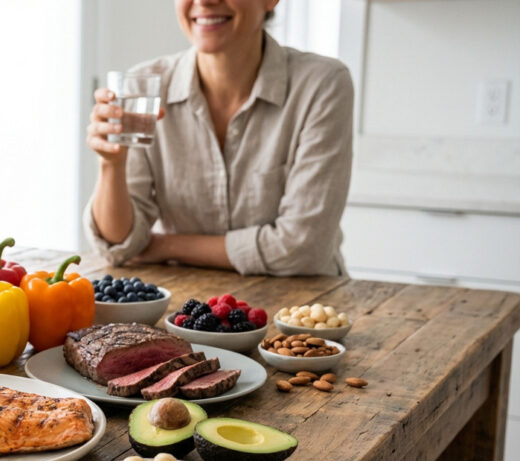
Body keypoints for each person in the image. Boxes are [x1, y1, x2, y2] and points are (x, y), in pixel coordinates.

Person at [84, 0, 353, 276]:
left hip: (302, 310)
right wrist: (111, 165)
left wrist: (164, 246)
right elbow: (118, 244)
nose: (203, 2)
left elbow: (303, 248)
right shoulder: (143, 86)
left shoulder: (322, 85)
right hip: (184, 309)